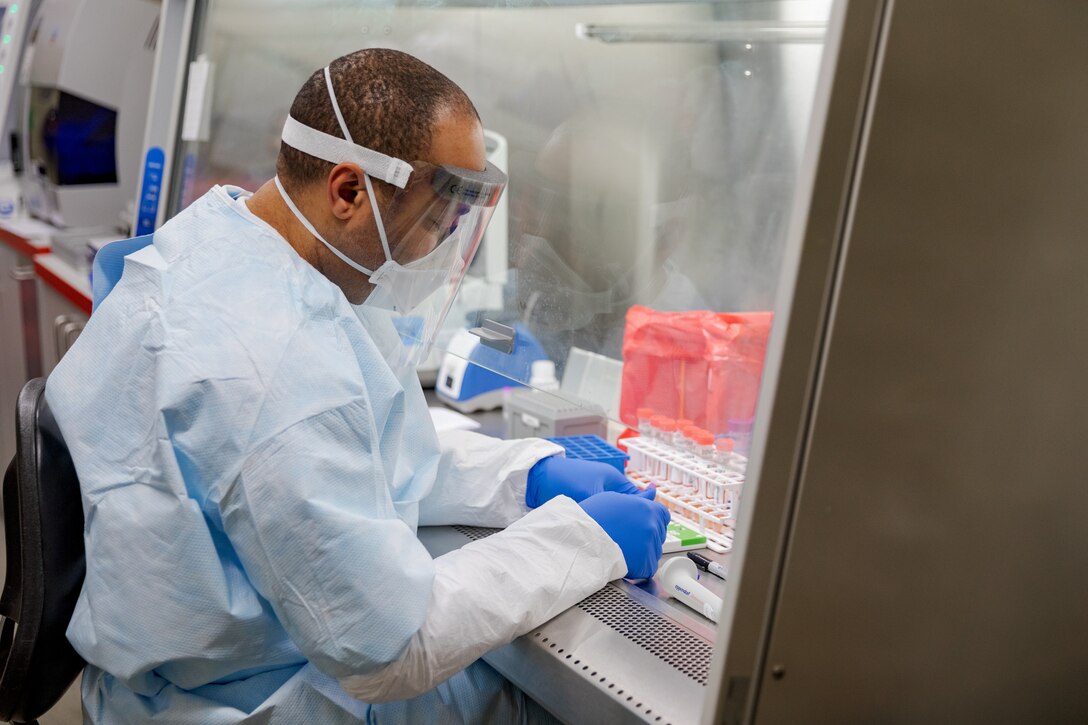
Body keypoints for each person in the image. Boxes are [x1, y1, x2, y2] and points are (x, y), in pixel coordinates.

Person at [46, 49, 670, 723]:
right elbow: (391, 648)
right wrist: (585, 539)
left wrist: (527, 476)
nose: (439, 245)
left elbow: (354, 455)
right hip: (244, 704)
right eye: (438, 217)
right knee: (549, 701)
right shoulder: (273, 364)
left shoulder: (222, 246)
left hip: (173, 676)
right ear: (348, 191)